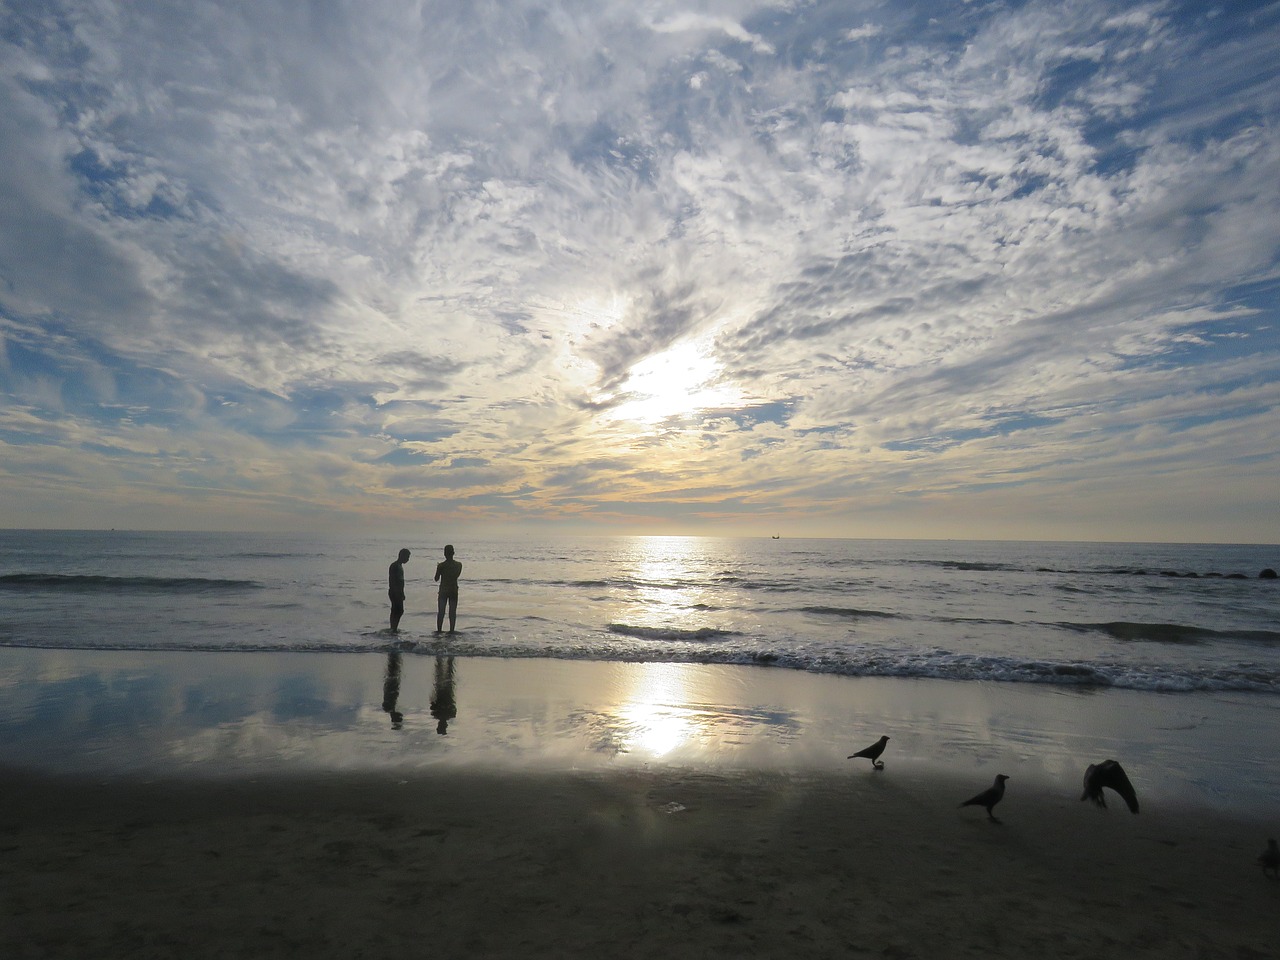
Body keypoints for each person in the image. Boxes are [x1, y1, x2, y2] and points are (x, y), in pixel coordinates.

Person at [434, 544, 462, 633]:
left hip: (443, 591)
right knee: (452, 612)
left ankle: (439, 630)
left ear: (444, 554)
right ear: (453, 553)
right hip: (453, 590)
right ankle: (451, 631)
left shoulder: (441, 566)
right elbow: (456, 576)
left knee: (441, 612)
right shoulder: (458, 565)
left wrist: (438, 568)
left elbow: (436, 578)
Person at [388, 548, 411, 631]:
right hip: (395, 591)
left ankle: (394, 628)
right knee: (397, 610)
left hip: (398, 591)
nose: (408, 559)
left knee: (398, 610)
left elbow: (401, 582)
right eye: (407, 557)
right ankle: (393, 628)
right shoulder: (395, 566)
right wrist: (397, 592)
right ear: (402, 556)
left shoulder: (399, 566)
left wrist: (402, 593)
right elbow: (393, 580)